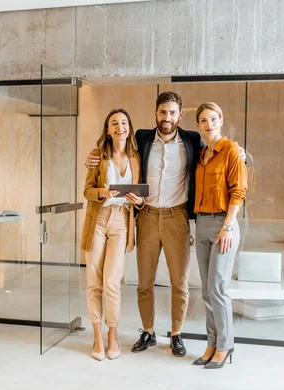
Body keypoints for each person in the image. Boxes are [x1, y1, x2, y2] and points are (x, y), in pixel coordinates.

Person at [85, 92, 246, 358]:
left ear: (180, 115)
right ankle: (147, 332)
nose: (167, 118)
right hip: (146, 215)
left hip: (177, 217)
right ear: (156, 113)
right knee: (144, 282)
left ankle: (176, 334)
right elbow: (115, 146)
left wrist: (240, 151)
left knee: (179, 282)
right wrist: (91, 158)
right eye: (163, 112)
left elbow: (224, 151)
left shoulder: (193, 140)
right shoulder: (142, 138)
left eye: (172, 113)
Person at [81, 109, 145, 361]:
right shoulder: (97, 156)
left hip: (121, 221)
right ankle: (97, 334)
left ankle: (112, 334)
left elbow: (141, 197)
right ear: (107, 130)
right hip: (97, 221)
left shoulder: (136, 158)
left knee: (111, 283)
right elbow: (87, 191)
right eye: (114, 123)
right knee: (94, 282)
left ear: (129, 127)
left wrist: (138, 200)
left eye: (124, 123)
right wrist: (102, 193)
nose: (120, 127)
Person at [191, 102, 247, 369]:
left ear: (221, 120)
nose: (209, 124)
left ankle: (226, 345)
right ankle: (211, 343)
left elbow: (238, 191)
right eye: (203, 120)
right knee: (205, 290)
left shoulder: (231, 150)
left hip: (224, 224)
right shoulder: (201, 155)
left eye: (213, 119)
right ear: (198, 125)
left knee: (218, 287)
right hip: (201, 224)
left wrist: (227, 227)